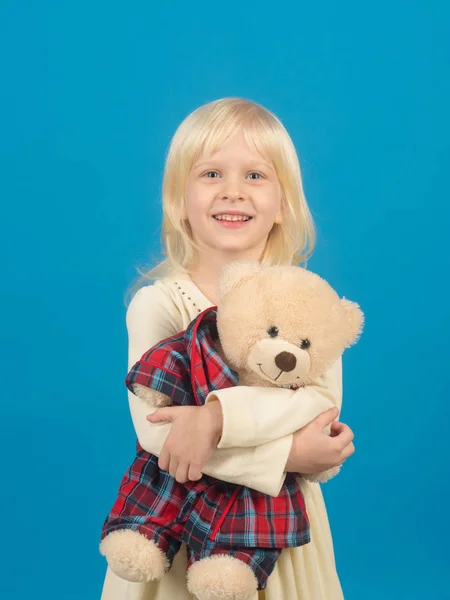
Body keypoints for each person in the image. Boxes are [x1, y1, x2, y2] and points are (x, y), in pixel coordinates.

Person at [100, 97, 355, 600]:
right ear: (179, 202)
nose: (233, 192)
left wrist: (214, 419)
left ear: (283, 204)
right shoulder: (160, 306)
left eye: (255, 176)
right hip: (183, 534)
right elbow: (160, 440)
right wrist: (287, 453)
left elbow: (319, 405)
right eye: (211, 174)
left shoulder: (307, 304)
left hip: (281, 542)